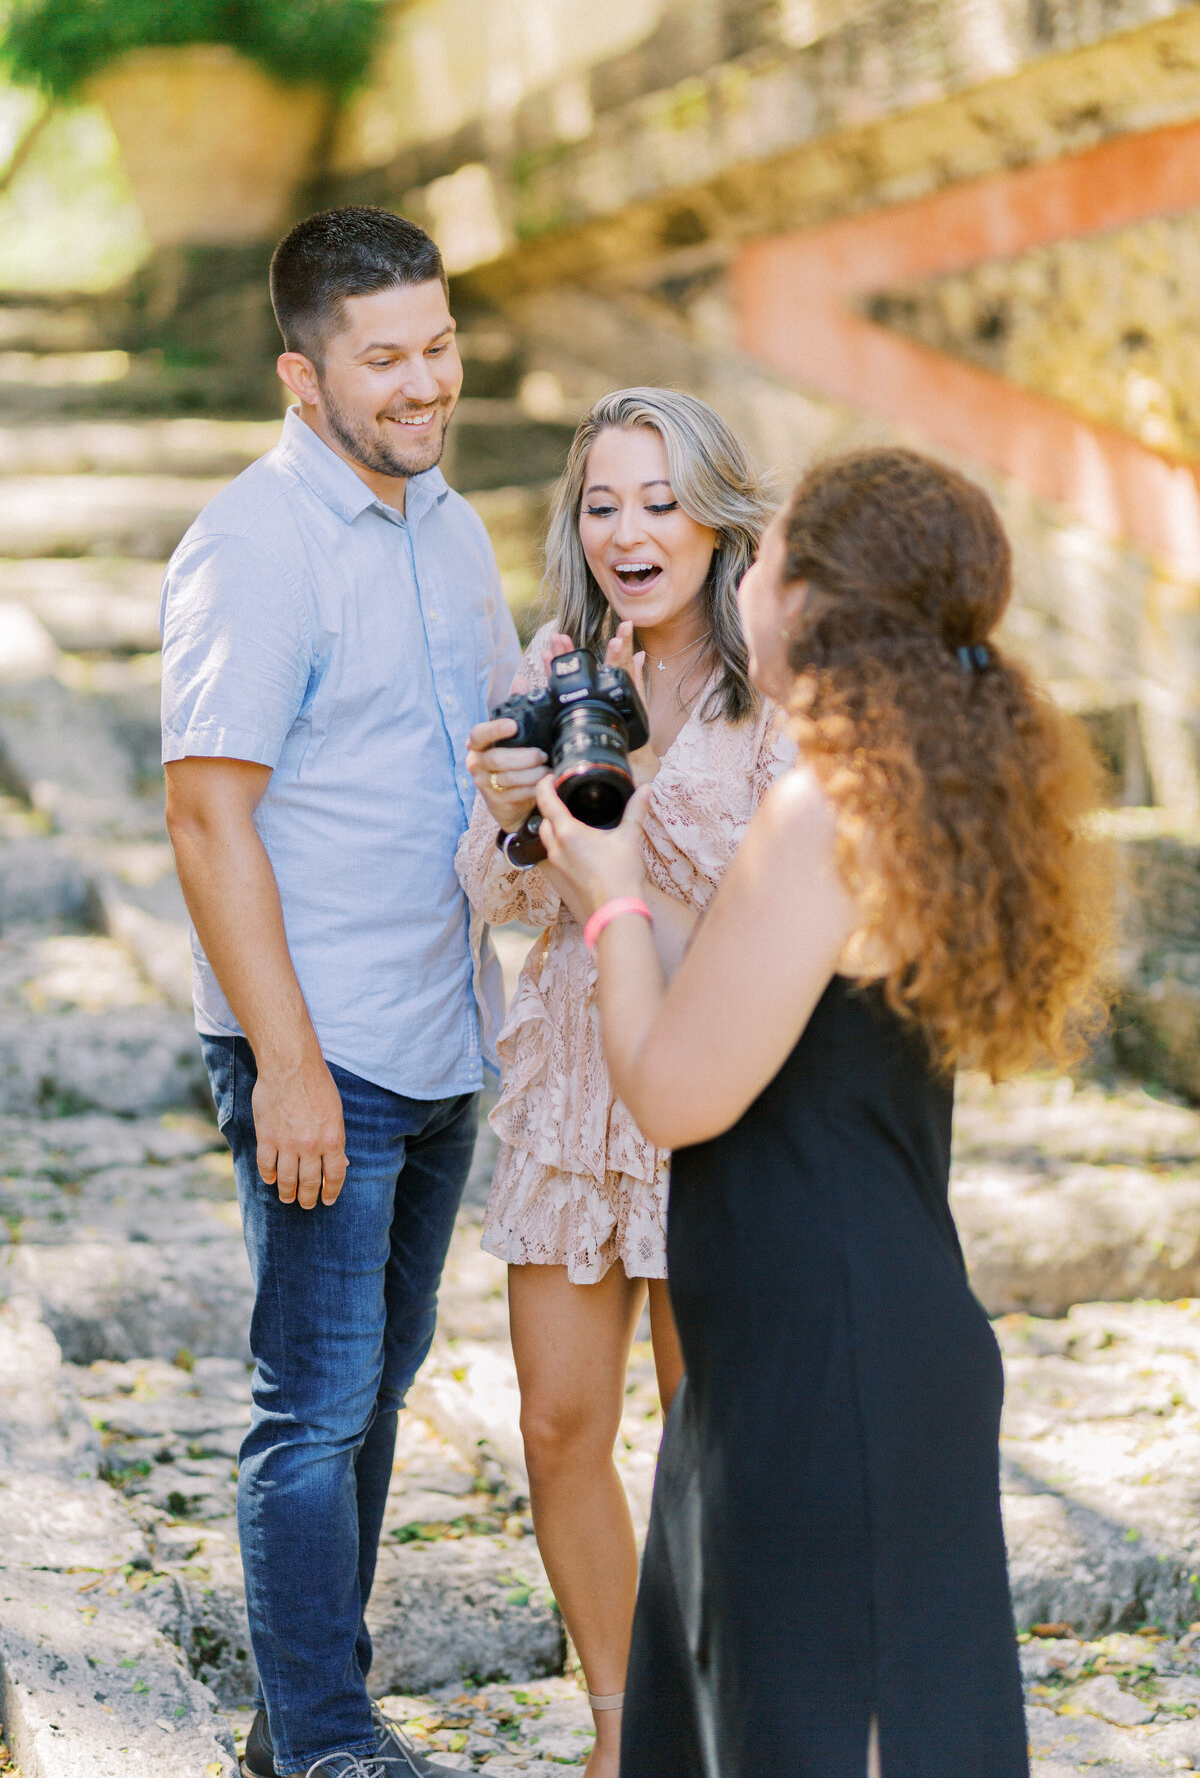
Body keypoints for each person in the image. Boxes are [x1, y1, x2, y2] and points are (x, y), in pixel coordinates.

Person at [534, 447, 1111, 1778]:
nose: (748, 577)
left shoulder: (820, 805)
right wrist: (593, 866)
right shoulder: (905, 784)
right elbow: (758, 971)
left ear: (817, 602)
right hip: (830, 1346)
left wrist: (614, 895)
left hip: (820, 1362)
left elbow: (674, 1093)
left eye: (773, 552)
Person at [160, 206, 520, 1778]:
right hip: (324, 1042)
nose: (424, 381)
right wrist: (289, 1069)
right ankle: (323, 1741)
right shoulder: (253, 542)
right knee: (309, 1403)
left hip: (443, 1029)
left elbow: (475, 759)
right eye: (386, 358)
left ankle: (298, 1716)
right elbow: (205, 815)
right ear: (306, 376)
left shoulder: (449, 523)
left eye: (437, 344)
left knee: (377, 1387)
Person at [456, 389, 789, 1776]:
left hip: (710, 1083)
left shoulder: (771, 689)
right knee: (556, 1423)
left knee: (707, 1437)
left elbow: (771, 907)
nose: (629, 530)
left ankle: (732, 1721)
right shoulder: (560, 659)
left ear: (719, 518)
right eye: (602, 502)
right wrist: (506, 813)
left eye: (660, 500)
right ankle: (621, 1728)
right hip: (575, 1087)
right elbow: (496, 901)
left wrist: (638, 785)